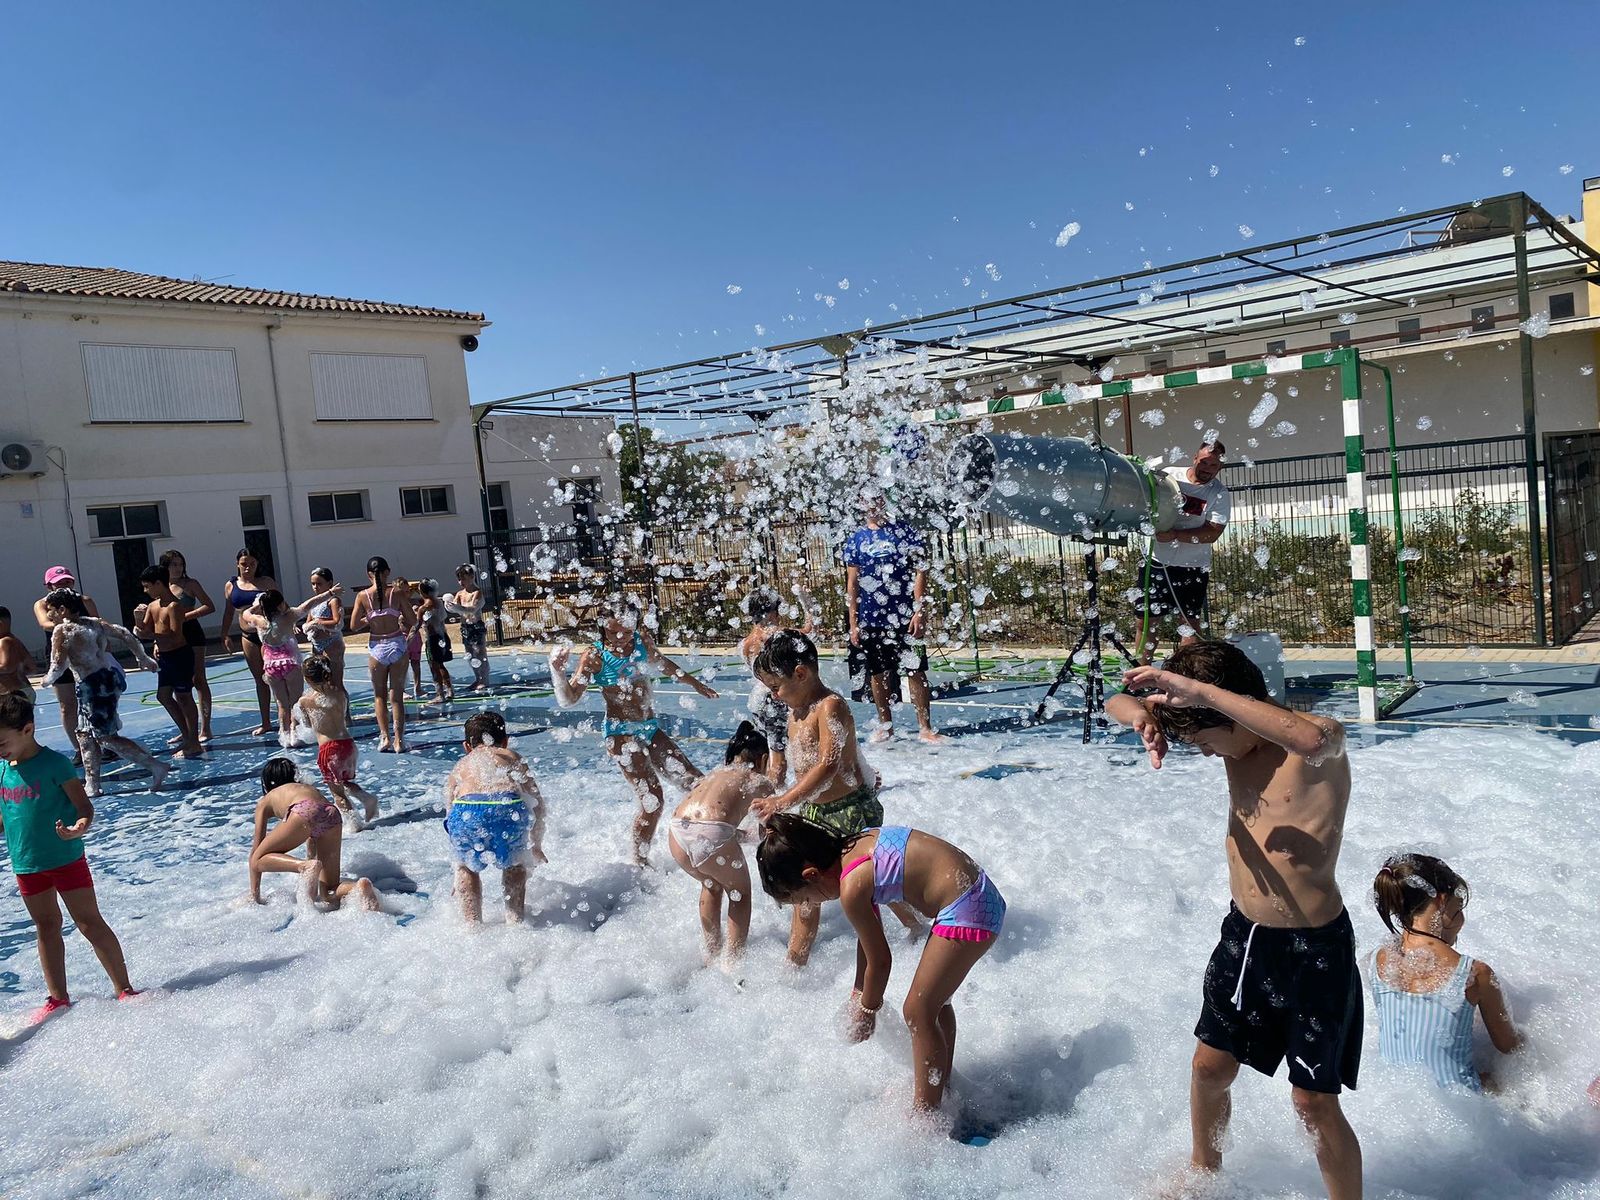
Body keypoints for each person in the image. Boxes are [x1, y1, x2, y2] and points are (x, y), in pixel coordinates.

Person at [1108, 642, 1361, 1200]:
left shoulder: (1312, 738)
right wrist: (1144, 721)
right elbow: (1114, 700)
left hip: (1315, 949)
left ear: (1229, 708)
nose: (1203, 754)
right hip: (1245, 939)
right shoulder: (1232, 747)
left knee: (1312, 1102)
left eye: (1204, 740)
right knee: (1209, 1068)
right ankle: (1204, 1170)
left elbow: (1315, 740)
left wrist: (1199, 694)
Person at [757, 813, 1006, 1115]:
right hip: (977, 895)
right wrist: (857, 993)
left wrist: (867, 1010)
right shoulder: (858, 846)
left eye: (806, 899)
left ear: (811, 875)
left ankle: (926, 1119)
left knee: (918, 1011)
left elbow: (881, 960)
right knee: (935, 1004)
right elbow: (868, 938)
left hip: (969, 909)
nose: (810, 906)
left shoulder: (852, 886)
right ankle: (942, 1085)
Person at [749, 629, 917, 966]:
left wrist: (783, 802)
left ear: (801, 673)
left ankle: (918, 930)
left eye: (776, 687)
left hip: (852, 811)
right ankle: (794, 966)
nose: (776, 696)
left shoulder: (830, 706)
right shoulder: (795, 712)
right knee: (804, 892)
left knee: (878, 882)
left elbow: (829, 765)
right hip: (815, 811)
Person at [0, 693, 139, 1025]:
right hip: (26, 864)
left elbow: (83, 807)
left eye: (2, 741)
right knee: (46, 926)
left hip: (65, 859)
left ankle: (124, 989)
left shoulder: (55, 764)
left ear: (28, 730)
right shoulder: (4, 769)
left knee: (89, 922)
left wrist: (80, 827)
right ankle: (58, 997)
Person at [548, 596, 716, 865]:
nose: (620, 637)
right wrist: (557, 673)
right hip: (620, 734)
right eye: (613, 631)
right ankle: (639, 862)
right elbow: (570, 698)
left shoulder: (641, 642)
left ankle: (720, 833)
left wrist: (695, 684)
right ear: (602, 625)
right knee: (653, 800)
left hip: (649, 728)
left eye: (626, 631)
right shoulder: (595, 656)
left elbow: (664, 664)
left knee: (697, 783)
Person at [1370, 853, 1522, 1092]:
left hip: (1393, 1104)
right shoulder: (1474, 973)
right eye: (1458, 907)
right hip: (1462, 1114)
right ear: (1441, 902)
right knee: (1499, 1085)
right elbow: (1510, 1047)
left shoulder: (1379, 960)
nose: (1460, 919)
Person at [39, 590, 168, 797]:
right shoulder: (93, 623)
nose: (49, 615)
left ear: (62, 610)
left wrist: (46, 681)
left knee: (105, 738)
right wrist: (142, 658)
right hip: (106, 680)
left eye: (50, 611)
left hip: (92, 687)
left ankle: (155, 766)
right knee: (83, 735)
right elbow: (124, 633)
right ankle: (92, 784)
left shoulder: (62, 630)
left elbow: (58, 666)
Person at [667, 721, 775, 964]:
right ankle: (732, 963)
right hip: (710, 834)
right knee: (740, 894)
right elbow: (769, 828)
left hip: (675, 833)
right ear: (764, 759)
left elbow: (712, 827)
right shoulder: (758, 781)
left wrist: (741, 837)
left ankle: (711, 953)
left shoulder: (715, 775)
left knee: (711, 883)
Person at [843, 492, 942, 745]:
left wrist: (919, 611)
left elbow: (921, 570)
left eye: (876, 499)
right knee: (878, 673)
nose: (872, 504)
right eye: (866, 500)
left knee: (916, 670)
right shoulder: (856, 540)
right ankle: (886, 726)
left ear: (883, 501)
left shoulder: (904, 532)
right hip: (872, 617)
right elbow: (852, 584)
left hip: (905, 616)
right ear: (860, 503)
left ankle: (925, 728)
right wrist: (853, 624)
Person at [443, 710, 546, 924]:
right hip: (507, 808)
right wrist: (536, 844)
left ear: (467, 746)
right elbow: (538, 803)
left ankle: (472, 926)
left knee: (466, 867)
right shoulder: (511, 757)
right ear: (506, 742)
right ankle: (515, 921)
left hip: (466, 810)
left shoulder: (461, 765)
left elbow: (450, 809)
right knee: (515, 864)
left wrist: (457, 863)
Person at [1139, 438, 1231, 660]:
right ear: (1195, 458)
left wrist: (1175, 535)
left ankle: (1185, 678)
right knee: (1146, 621)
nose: (1208, 469)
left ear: (1220, 467)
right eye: (1205, 462)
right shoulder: (1171, 477)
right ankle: (1142, 673)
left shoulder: (1218, 493)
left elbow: (1213, 532)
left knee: (1190, 623)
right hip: (1156, 561)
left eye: (1214, 465)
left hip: (1193, 567)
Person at [249, 758, 378, 911]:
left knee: (257, 860)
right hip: (331, 812)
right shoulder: (304, 788)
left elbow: (255, 851)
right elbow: (313, 834)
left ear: (267, 782)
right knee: (329, 891)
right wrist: (312, 862)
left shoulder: (265, 801)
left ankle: (303, 866)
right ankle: (358, 888)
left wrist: (255, 896)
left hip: (303, 810)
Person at [237, 585, 342, 745]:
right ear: (279, 605)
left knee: (281, 704)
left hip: (271, 666)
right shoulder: (288, 617)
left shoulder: (258, 621)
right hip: (290, 664)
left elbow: (245, 613)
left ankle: (284, 735)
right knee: (295, 702)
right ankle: (295, 734)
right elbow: (308, 605)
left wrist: (260, 605)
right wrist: (329, 593)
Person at [738, 586, 816, 785]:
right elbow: (809, 631)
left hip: (759, 701)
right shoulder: (777, 635)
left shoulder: (747, 642)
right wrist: (806, 603)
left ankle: (767, 794)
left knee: (771, 753)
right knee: (779, 760)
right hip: (777, 700)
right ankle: (776, 802)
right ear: (772, 611)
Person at [292, 654, 379, 828]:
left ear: (307, 679)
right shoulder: (340, 694)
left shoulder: (305, 701)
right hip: (348, 745)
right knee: (345, 782)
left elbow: (308, 725)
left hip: (329, 749)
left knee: (337, 793)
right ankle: (366, 799)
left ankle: (354, 824)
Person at [135, 566, 203, 759]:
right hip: (165, 658)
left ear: (159, 583)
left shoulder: (174, 606)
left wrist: (149, 635)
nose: (145, 591)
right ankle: (188, 735)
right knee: (163, 696)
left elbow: (175, 635)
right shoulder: (153, 606)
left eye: (148, 587)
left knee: (184, 696)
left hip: (179, 655)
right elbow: (145, 628)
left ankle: (194, 741)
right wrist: (138, 622)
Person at [32, 566, 99, 760]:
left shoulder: (84, 601)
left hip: (86, 656)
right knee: (67, 705)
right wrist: (70, 620)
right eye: (58, 583)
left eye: (67, 582)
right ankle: (80, 749)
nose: (64, 586)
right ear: (49, 586)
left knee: (94, 701)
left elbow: (98, 623)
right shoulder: (42, 605)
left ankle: (104, 740)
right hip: (59, 657)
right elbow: (45, 624)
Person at [348, 557, 414, 753]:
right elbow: (411, 620)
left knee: (379, 696)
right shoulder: (397, 593)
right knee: (397, 697)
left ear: (368, 574)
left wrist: (371, 617)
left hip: (377, 647)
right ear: (388, 572)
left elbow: (353, 626)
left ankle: (384, 737)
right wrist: (398, 616)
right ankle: (399, 740)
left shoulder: (362, 596)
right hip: (397, 644)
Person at [221, 550, 281, 737]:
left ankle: (286, 717)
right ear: (237, 564)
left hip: (269, 636)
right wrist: (225, 634)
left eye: (252, 563)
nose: (248, 567)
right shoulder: (231, 585)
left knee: (276, 678)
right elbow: (229, 612)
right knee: (260, 679)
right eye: (244, 563)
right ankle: (266, 722)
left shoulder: (267, 583)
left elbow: (281, 606)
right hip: (248, 636)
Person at [158, 550, 216, 743]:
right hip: (171, 637)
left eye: (180, 564)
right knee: (178, 685)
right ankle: (187, 728)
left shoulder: (190, 584)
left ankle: (205, 727)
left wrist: (186, 616)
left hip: (191, 633)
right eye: (173, 564)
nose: (177, 568)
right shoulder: (162, 587)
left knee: (198, 679)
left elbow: (209, 605)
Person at [300, 567, 347, 698]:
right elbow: (308, 621)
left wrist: (318, 622)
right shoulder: (314, 603)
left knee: (335, 683)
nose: (315, 587)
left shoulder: (333, 600)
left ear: (329, 583)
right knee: (320, 682)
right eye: (313, 584)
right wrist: (306, 626)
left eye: (319, 584)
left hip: (332, 643)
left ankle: (345, 716)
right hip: (317, 644)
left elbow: (336, 621)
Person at [443, 564, 492, 691]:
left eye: (463, 578)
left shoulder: (477, 593)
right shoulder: (460, 594)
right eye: (459, 579)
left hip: (476, 626)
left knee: (479, 653)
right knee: (470, 654)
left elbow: (472, 609)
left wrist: (456, 608)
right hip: (465, 627)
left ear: (471, 576)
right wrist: (449, 606)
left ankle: (484, 680)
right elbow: (457, 609)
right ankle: (477, 678)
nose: (461, 582)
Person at [417, 579, 455, 707]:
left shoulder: (424, 608)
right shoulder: (439, 602)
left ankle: (440, 694)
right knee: (441, 665)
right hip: (443, 636)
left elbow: (417, 625)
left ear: (423, 592)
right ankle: (449, 690)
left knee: (434, 666)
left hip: (432, 639)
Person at [0, 607, 38, 702]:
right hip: (24, 690)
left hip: (13, 695)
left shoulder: (4, 642)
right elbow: (32, 667)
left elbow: (7, 667)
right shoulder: (16, 641)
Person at [398, 577, 426, 701]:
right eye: (403, 591)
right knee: (402, 665)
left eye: (408, 591)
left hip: (415, 637)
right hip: (402, 636)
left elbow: (419, 620)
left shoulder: (414, 604)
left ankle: (418, 687)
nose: (406, 594)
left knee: (416, 663)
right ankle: (402, 690)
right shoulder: (395, 605)